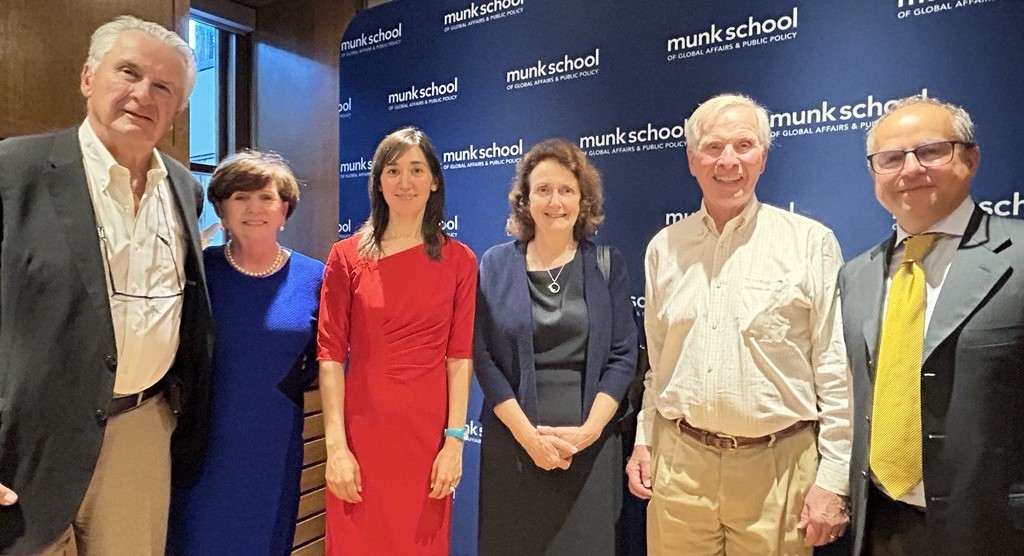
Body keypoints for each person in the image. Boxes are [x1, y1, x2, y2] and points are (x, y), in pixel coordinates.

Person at [0, 15, 213, 556]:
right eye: (129, 72)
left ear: (177, 110)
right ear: (88, 78)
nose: (144, 94)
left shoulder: (185, 190)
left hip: (142, 430)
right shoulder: (13, 171)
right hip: (29, 440)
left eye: (163, 86)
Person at [625, 93, 852, 555]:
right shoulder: (664, 248)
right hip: (680, 469)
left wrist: (834, 477)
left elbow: (836, 369)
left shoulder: (810, 243)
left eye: (744, 145)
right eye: (712, 147)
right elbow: (659, 365)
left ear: (763, 157)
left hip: (777, 474)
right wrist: (645, 440)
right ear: (692, 159)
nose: (728, 161)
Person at [840, 96, 1024, 555]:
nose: (910, 169)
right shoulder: (856, 275)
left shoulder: (1019, 255)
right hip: (881, 522)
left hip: (993, 526)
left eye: (931, 151)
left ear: (971, 157)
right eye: (891, 158)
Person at [317, 127, 477, 555]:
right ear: (378, 181)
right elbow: (330, 356)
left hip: (426, 445)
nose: (405, 182)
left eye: (416, 170)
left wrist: (454, 442)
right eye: (393, 170)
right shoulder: (346, 257)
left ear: (435, 180)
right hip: (362, 439)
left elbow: (459, 358)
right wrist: (337, 448)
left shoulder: (460, 260)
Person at [474, 139, 638, 554]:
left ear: (583, 199)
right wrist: (530, 438)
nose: (555, 201)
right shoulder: (494, 264)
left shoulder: (608, 264)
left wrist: (587, 432)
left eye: (566, 190)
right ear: (525, 201)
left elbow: (623, 356)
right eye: (543, 190)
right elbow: (484, 357)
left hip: (589, 454)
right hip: (512, 447)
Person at [166, 151, 324, 555]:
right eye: (239, 197)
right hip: (201, 441)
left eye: (267, 197)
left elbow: (330, 358)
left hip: (273, 442)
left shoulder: (317, 277)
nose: (254, 208)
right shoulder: (196, 271)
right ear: (220, 207)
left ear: (285, 208)